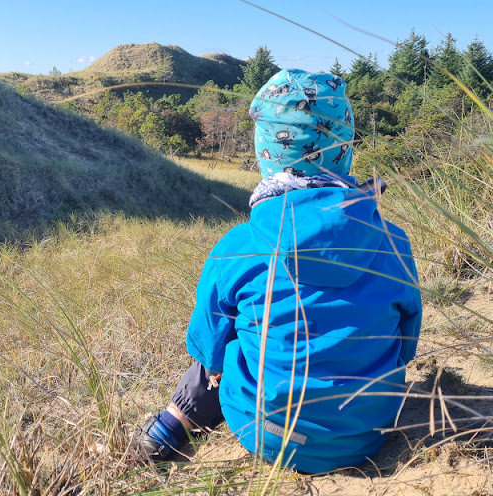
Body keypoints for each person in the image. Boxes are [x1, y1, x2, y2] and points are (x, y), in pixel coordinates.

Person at [134, 69, 422, 473]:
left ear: (266, 153)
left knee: (227, 343)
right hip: (369, 432)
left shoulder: (237, 247)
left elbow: (209, 354)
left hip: (266, 432)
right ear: (345, 149)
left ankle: (170, 424)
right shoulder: (394, 241)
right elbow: (406, 346)